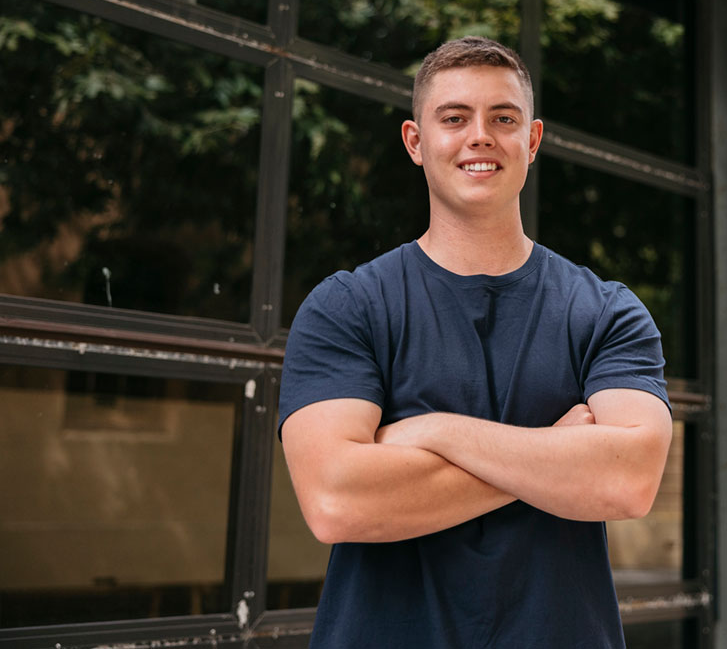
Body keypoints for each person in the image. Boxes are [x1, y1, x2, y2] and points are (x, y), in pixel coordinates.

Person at [278, 36, 673, 648]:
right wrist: (555, 456)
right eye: (455, 118)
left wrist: (433, 432)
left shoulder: (604, 311)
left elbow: (627, 481)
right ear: (416, 141)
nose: (480, 136)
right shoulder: (347, 306)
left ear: (532, 141)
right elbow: (336, 501)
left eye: (503, 118)